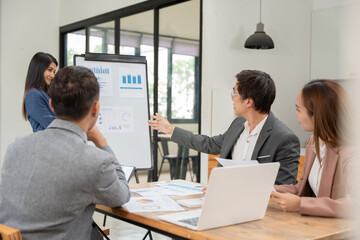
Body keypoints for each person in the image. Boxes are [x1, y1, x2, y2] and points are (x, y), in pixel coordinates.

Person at [0, 66, 131, 239]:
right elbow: (121, 195)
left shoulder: (14, 148)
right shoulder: (95, 162)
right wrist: (101, 141)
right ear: (95, 108)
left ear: (51, 105)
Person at [148, 70, 300, 185]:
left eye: (235, 92)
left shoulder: (284, 138)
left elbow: (284, 187)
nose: (232, 98)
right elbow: (209, 144)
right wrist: (170, 129)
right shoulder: (238, 124)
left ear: (249, 102)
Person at [271, 79, 356, 217]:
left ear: (317, 114)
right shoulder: (313, 143)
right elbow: (301, 189)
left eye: (298, 109)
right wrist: (268, 189)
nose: (296, 114)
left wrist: (301, 204)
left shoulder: (352, 153)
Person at [22, 52, 58, 132]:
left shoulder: (46, 93)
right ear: (38, 70)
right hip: (46, 142)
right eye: (49, 70)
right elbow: (52, 125)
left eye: (54, 71)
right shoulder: (33, 95)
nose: (52, 75)